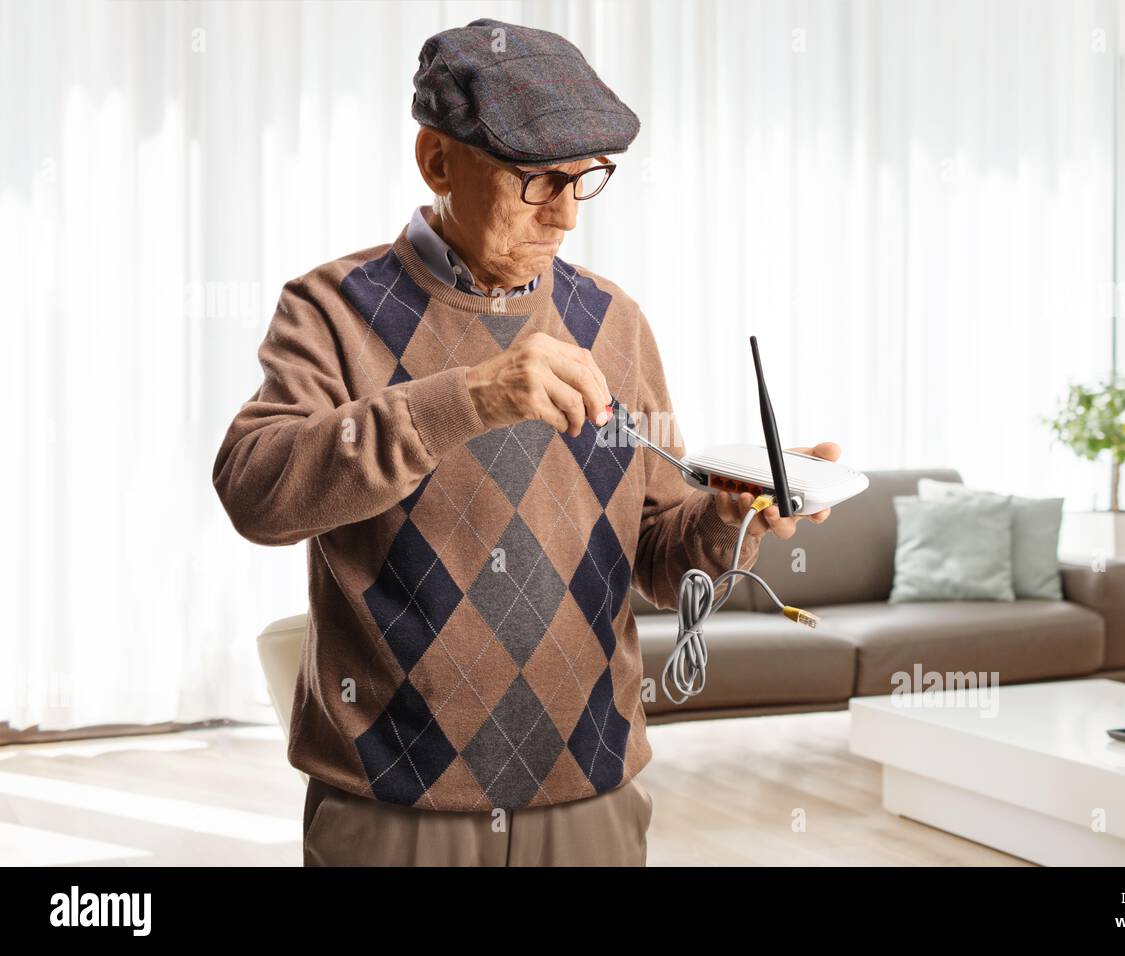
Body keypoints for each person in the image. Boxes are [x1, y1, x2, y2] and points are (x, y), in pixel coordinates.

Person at [213, 18, 840, 866]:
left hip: (591, 791)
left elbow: (660, 558)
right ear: (437, 161)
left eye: (586, 179)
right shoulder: (332, 307)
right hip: (394, 801)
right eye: (538, 179)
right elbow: (257, 492)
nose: (567, 215)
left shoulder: (614, 321)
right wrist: (468, 398)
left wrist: (731, 518)